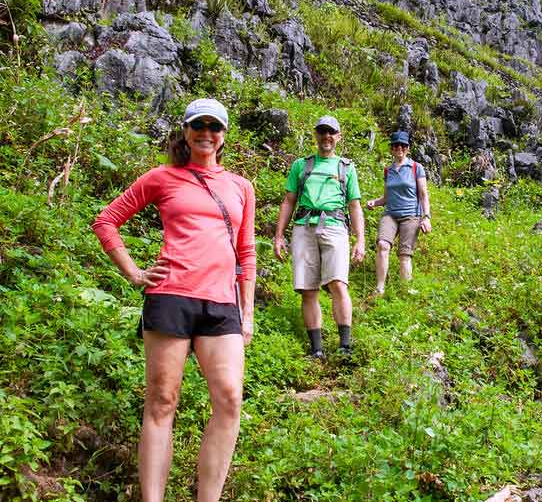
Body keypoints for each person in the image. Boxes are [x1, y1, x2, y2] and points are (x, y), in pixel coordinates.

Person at [92, 98, 255, 502]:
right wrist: (133, 271)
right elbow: (106, 220)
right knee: (163, 401)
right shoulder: (162, 178)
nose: (206, 132)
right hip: (171, 297)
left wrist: (246, 312)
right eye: (198, 125)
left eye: (214, 126)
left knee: (230, 399)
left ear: (223, 136)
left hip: (222, 306)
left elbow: (246, 252)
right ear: (184, 131)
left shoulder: (240, 187)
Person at [273, 115, 365, 359]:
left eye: (331, 132)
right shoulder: (301, 166)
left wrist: (361, 240)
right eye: (322, 132)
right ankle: (317, 350)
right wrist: (279, 235)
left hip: (335, 226)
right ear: (316, 135)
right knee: (308, 289)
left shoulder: (346, 167)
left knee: (337, 283)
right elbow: (289, 201)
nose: (326, 136)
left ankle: (345, 345)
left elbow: (354, 206)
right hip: (304, 227)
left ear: (338, 136)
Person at [366, 131, 431, 294]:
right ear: (391, 149)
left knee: (404, 255)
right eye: (396, 145)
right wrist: (375, 202)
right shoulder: (388, 171)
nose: (399, 148)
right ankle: (380, 288)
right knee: (382, 245)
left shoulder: (417, 167)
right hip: (391, 214)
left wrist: (426, 217)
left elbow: (423, 194)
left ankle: (405, 291)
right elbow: (387, 197)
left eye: (403, 145)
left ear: (408, 148)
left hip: (411, 215)